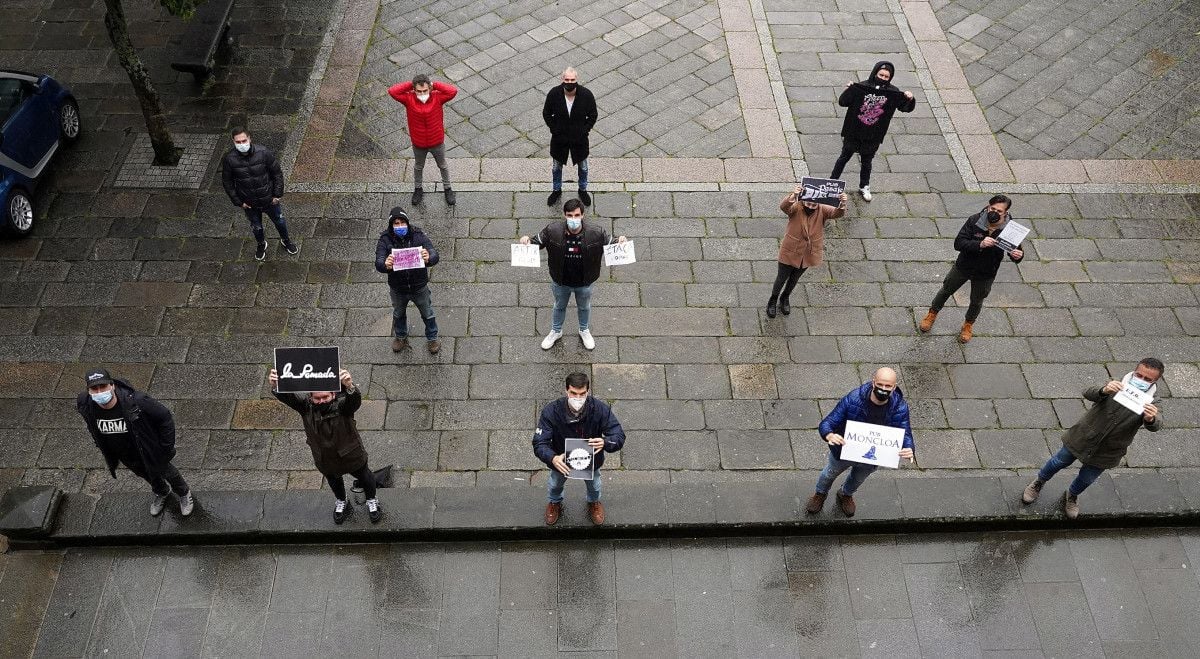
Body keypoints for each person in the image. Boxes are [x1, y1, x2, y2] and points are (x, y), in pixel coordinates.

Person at [1023, 358, 1164, 519]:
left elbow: (1156, 425)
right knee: (1058, 461)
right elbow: (1088, 392)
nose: (1141, 381)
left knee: (1087, 478)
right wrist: (1104, 390)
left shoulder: (1153, 402)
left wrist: (1150, 419)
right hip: (1083, 437)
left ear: (1155, 381)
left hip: (1109, 450)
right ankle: (1039, 482)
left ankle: (1072, 495)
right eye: (1139, 375)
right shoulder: (1117, 383)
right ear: (1134, 371)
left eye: (1147, 379)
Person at [75, 368, 194, 517]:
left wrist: (165, 446)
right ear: (88, 390)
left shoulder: (136, 400)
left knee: (167, 471)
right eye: (94, 388)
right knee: (145, 474)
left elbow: (164, 417)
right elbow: (91, 425)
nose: (99, 392)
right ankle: (162, 492)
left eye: (103, 387)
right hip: (124, 454)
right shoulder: (85, 404)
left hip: (148, 449)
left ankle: (183, 493)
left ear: (112, 385)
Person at [270, 367, 382, 524]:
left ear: (333, 394)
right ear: (310, 398)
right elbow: (289, 398)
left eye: (325, 397)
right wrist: (277, 386)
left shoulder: (343, 407)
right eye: (317, 398)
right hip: (325, 457)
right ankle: (341, 500)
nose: (321, 401)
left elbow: (354, 402)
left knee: (365, 476)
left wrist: (350, 387)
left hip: (350, 453)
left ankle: (372, 499)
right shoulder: (306, 408)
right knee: (334, 481)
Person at [806, 367, 915, 517]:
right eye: (880, 384)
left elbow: (905, 432)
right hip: (843, 452)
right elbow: (828, 422)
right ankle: (820, 494)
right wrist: (829, 434)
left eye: (888, 386)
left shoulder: (900, 407)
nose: (884, 389)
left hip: (870, 459)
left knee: (857, 479)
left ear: (894, 387)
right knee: (829, 474)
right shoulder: (853, 398)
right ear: (873, 382)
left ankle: (846, 494)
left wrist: (909, 448)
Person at [519, 199, 626, 351]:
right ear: (564, 215)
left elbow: (612, 242)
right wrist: (526, 240)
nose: (573, 219)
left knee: (584, 307)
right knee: (559, 306)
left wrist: (620, 241)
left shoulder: (597, 233)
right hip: (560, 281)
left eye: (577, 215)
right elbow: (536, 242)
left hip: (585, 282)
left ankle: (584, 330)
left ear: (583, 215)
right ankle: (556, 331)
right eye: (570, 215)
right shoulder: (552, 231)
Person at [919, 194, 1024, 343]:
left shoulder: (1011, 229)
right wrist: (979, 244)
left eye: (999, 211)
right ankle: (932, 313)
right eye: (992, 208)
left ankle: (968, 324)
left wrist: (1017, 255)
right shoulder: (974, 220)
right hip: (964, 266)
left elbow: (1016, 253)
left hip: (986, 272)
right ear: (988, 206)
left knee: (977, 300)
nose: (994, 212)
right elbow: (959, 243)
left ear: (1005, 213)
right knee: (947, 289)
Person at [533, 372, 626, 526]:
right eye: (573, 393)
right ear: (566, 391)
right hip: (561, 460)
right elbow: (539, 442)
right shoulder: (551, 411)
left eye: (582, 394)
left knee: (594, 485)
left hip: (591, 461)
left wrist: (605, 442)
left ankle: (594, 502)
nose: (578, 398)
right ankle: (554, 502)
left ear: (587, 392)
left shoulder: (600, 409)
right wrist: (552, 458)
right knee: (555, 484)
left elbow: (618, 435)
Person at [829, 61, 916, 201]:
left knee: (867, 162)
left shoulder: (893, 92)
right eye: (881, 74)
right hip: (854, 131)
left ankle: (864, 185)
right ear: (875, 73)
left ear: (890, 78)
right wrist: (849, 89)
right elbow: (843, 102)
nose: (883, 78)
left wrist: (909, 98)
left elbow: (904, 107)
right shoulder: (861, 87)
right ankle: (832, 182)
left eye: (886, 76)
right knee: (844, 157)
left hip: (873, 135)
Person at [768, 187, 848, 318]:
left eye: (814, 204)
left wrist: (842, 204)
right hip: (790, 250)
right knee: (781, 278)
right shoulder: (796, 207)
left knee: (794, 278)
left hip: (808, 253)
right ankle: (773, 299)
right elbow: (784, 207)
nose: (811, 206)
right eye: (808, 203)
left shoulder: (822, 209)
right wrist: (793, 195)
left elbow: (836, 214)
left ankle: (785, 297)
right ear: (803, 200)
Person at [221, 128, 296, 261]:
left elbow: (277, 174)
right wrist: (239, 202)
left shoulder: (263, 153)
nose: (242, 144)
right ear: (233, 142)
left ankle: (286, 240)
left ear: (250, 139)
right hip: (250, 204)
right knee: (257, 227)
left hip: (269, 199)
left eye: (244, 140)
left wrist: (277, 195)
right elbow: (227, 182)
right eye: (238, 142)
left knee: (280, 222)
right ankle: (261, 244)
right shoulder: (229, 160)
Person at [374, 206, 441, 354]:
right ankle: (400, 336)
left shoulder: (419, 236)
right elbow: (378, 261)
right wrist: (385, 264)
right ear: (391, 225)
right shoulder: (385, 240)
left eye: (402, 222)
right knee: (398, 313)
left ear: (407, 223)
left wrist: (429, 258)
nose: (399, 226)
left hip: (419, 287)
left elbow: (434, 253)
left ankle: (432, 338)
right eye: (396, 223)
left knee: (428, 313)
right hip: (398, 288)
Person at [387, 73, 458, 207]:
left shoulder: (437, 97)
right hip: (419, 143)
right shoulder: (408, 99)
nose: (422, 93)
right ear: (414, 89)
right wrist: (410, 84)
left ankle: (448, 189)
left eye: (425, 90)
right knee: (418, 166)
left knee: (442, 165)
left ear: (430, 88)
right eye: (419, 91)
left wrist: (435, 84)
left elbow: (453, 91)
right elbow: (392, 91)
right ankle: (418, 189)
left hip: (437, 141)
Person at [542, 67, 597, 207]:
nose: (570, 82)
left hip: (580, 140)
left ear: (576, 79)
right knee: (556, 167)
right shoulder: (554, 94)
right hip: (559, 139)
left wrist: (585, 130)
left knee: (583, 167)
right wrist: (554, 129)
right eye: (567, 79)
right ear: (562, 79)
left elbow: (593, 115)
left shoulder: (586, 95)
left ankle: (583, 189)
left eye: (572, 80)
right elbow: (546, 113)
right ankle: (556, 189)